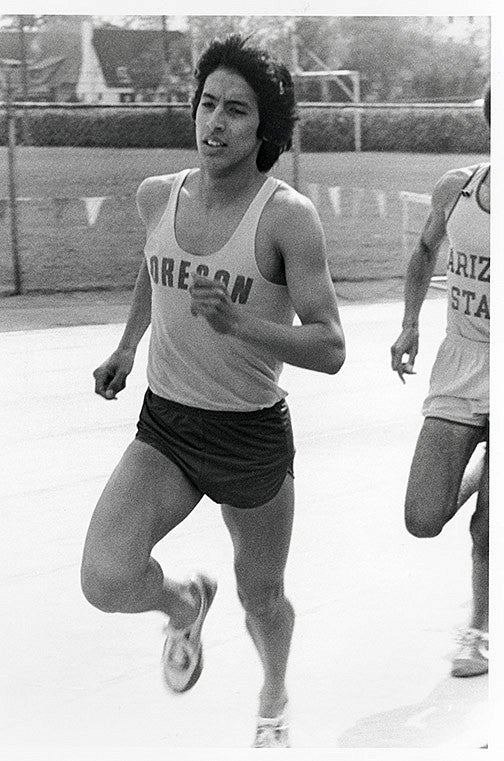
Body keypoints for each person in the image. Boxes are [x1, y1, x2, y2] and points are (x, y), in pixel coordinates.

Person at [81, 34, 345, 748]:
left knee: (262, 595)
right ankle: (183, 601)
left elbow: (331, 347)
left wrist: (242, 324)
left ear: (264, 132)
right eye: (207, 104)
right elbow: (153, 263)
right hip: (166, 427)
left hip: (249, 435)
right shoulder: (157, 196)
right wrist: (127, 344)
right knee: (105, 577)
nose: (215, 123)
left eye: (236, 110)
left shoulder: (287, 217)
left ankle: (274, 691)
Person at [390, 86, 490, 678]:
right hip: (462, 362)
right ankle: (483, 471)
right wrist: (409, 325)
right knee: (423, 517)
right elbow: (426, 248)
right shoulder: (458, 188)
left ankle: (478, 628)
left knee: (488, 530)